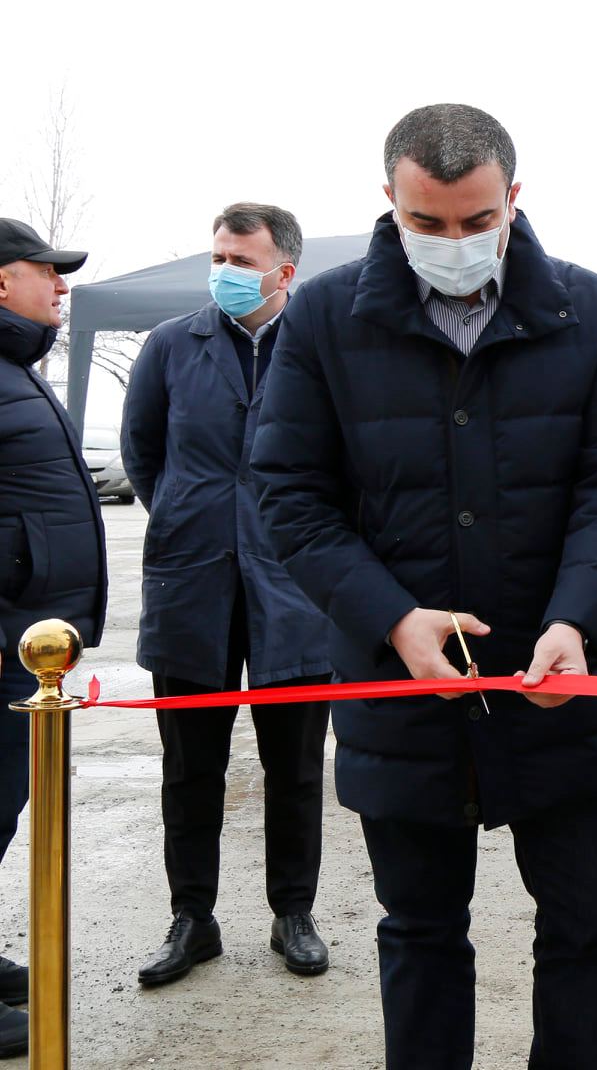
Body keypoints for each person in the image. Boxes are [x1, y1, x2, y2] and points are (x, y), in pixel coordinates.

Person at [252, 104, 597, 1069]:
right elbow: (289, 493)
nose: (454, 242)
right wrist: (391, 618)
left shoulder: (592, 311)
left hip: (558, 681)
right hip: (402, 689)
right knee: (421, 931)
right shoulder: (325, 317)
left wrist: (576, 618)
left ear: (514, 198)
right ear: (388, 201)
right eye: (425, 223)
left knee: (582, 928)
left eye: (478, 221)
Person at [121, 203, 333, 988]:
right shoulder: (171, 345)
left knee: (296, 768)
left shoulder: (320, 349)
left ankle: (293, 911)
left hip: (293, 586)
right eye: (219, 258)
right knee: (189, 768)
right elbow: (144, 452)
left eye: (242, 261)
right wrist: (193, 515)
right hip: (193, 581)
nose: (225, 273)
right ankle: (193, 918)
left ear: (284, 271)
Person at [0, 220, 103, 1058]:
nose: (61, 286)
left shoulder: (16, 371)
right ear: (2, 282)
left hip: (23, 644)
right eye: (47, 272)